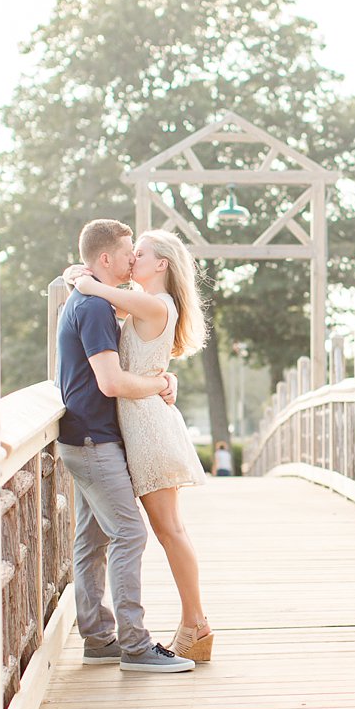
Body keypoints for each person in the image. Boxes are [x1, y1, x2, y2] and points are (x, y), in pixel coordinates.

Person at [69, 228, 215, 662]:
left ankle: (196, 623)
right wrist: (164, 379)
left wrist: (82, 276)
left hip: (148, 429)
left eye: (141, 253)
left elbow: (91, 287)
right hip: (140, 422)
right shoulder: (146, 305)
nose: (133, 258)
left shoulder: (154, 303)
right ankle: (194, 623)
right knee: (169, 530)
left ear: (161, 265)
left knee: (169, 530)